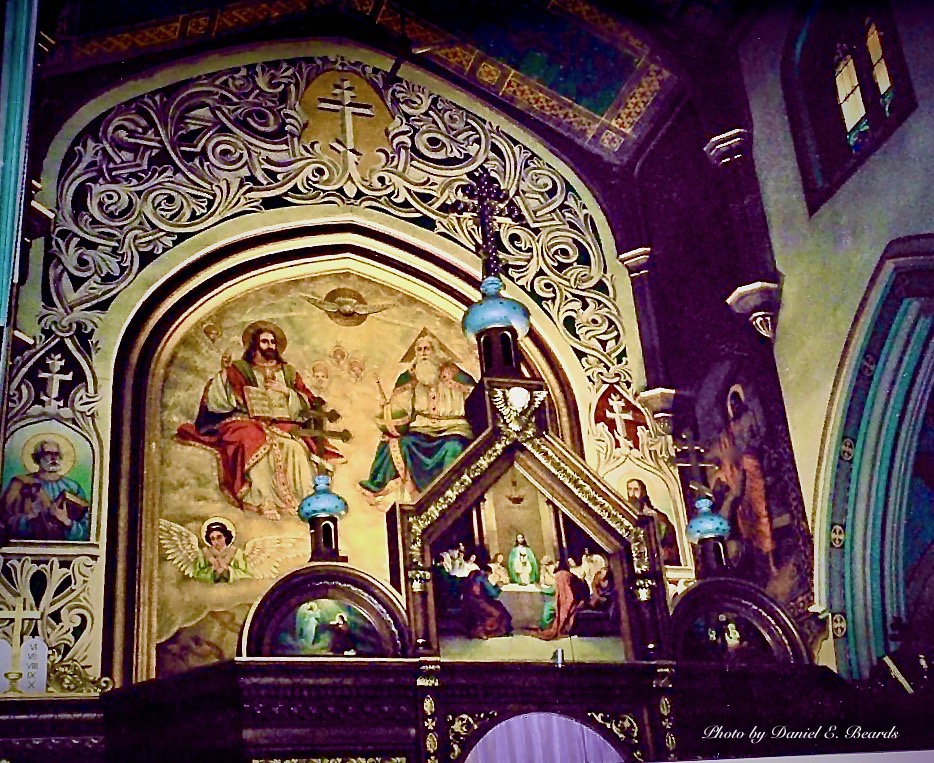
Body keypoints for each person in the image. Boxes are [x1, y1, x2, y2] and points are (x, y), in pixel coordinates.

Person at [177, 321, 342, 520]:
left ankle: (300, 499)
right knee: (252, 439)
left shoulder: (288, 372)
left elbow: (308, 400)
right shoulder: (239, 369)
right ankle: (263, 499)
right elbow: (217, 400)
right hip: (245, 419)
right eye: (265, 341)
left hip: (280, 422)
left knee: (295, 447)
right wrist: (225, 373)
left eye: (272, 342)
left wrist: (287, 392)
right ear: (254, 344)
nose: (270, 345)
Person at [360, 330, 475, 499]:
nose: (423, 353)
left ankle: (452, 494)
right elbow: (401, 407)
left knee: (454, 447)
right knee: (400, 442)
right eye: (419, 350)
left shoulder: (455, 374)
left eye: (427, 349)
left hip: (454, 428)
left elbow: (476, 399)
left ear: (436, 351)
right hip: (422, 428)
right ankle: (377, 483)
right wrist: (388, 410)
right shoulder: (410, 377)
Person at [715, 385, 776, 577]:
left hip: (752, 464)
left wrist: (750, 448)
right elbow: (728, 451)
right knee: (746, 516)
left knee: (761, 510)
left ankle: (771, 559)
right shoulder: (730, 428)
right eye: (731, 404)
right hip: (740, 471)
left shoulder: (749, 417)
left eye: (736, 402)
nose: (735, 406)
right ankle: (757, 561)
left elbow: (759, 436)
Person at [1, 436, 89, 542]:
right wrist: (28, 517)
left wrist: (67, 522)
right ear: (37, 458)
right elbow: (3, 521)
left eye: (57, 454)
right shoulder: (20, 483)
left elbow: (87, 527)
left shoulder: (73, 487)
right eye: (48, 453)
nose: (53, 458)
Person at [626, 479, 682, 566]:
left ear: (642, 492)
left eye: (636, 489)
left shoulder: (658, 517)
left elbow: (670, 544)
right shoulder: (622, 515)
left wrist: (664, 552)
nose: (632, 493)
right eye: (630, 489)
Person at [536, 560, 589, 640]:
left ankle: (555, 628)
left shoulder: (562, 576)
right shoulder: (560, 575)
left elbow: (569, 598)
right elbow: (558, 592)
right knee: (550, 607)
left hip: (578, 602)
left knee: (557, 610)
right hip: (572, 600)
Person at [460, 564, 512, 639]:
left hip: (468, 601)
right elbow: (492, 593)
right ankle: (490, 631)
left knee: (498, 605)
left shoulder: (472, 575)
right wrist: (498, 587)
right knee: (498, 612)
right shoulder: (482, 577)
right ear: (487, 572)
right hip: (477, 601)